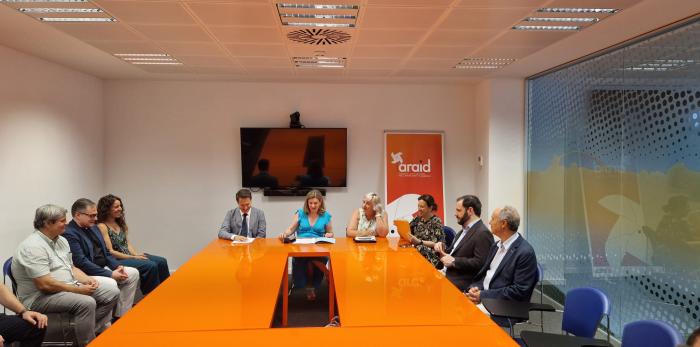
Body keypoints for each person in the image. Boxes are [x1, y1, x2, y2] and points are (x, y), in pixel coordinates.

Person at [12, 204, 119, 347]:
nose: (67, 223)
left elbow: (71, 268)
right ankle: (87, 342)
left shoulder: (61, 240)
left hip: (64, 287)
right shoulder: (33, 247)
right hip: (39, 297)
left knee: (111, 292)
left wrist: (87, 280)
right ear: (48, 223)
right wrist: (78, 290)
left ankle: (84, 330)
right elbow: (45, 285)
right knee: (86, 303)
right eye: (62, 221)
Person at [64, 198, 139, 319]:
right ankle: (103, 326)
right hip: (87, 273)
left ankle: (121, 316)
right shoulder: (69, 232)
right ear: (78, 215)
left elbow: (106, 253)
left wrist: (117, 266)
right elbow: (80, 262)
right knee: (111, 283)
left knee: (132, 273)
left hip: (103, 266)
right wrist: (110, 274)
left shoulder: (94, 227)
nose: (95, 218)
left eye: (96, 215)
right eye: (92, 215)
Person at [466, 206, 538, 325]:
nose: (489, 222)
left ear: (503, 223)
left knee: (464, 317)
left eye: (492, 219)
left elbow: (519, 291)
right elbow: (485, 274)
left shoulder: (525, 252)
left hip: (503, 306)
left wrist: (483, 295)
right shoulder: (496, 246)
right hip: (484, 297)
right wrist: (475, 288)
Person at [96, 194, 170, 296]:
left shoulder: (120, 223)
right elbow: (111, 251)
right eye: (116, 207)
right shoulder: (102, 226)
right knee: (151, 265)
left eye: (120, 206)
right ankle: (151, 297)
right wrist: (133, 257)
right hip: (118, 259)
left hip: (130, 256)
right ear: (107, 209)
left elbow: (127, 244)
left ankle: (166, 294)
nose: (120, 209)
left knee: (161, 261)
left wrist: (137, 255)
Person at [278, 189, 333, 301]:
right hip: (301, 245)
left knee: (318, 258)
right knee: (303, 259)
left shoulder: (326, 216)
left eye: (315, 203)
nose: (313, 205)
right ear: (307, 203)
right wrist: (285, 233)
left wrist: (328, 234)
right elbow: (291, 228)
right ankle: (306, 283)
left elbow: (331, 233)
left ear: (320, 203)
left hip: (318, 246)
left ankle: (312, 286)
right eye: (310, 203)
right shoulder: (300, 213)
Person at [433, 195, 494, 291]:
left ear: (470, 210)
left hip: (460, 284)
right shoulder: (462, 231)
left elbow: (481, 263)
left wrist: (454, 261)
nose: (455, 214)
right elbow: (452, 253)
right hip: (445, 275)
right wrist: (440, 248)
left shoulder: (483, 233)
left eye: (458, 210)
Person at [408, 194, 445, 269]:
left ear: (430, 208)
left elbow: (435, 244)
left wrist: (419, 241)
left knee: (420, 247)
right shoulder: (417, 219)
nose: (419, 209)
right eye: (418, 206)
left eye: (422, 207)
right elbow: (408, 232)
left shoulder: (436, 221)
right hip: (417, 254)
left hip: (432, 256)